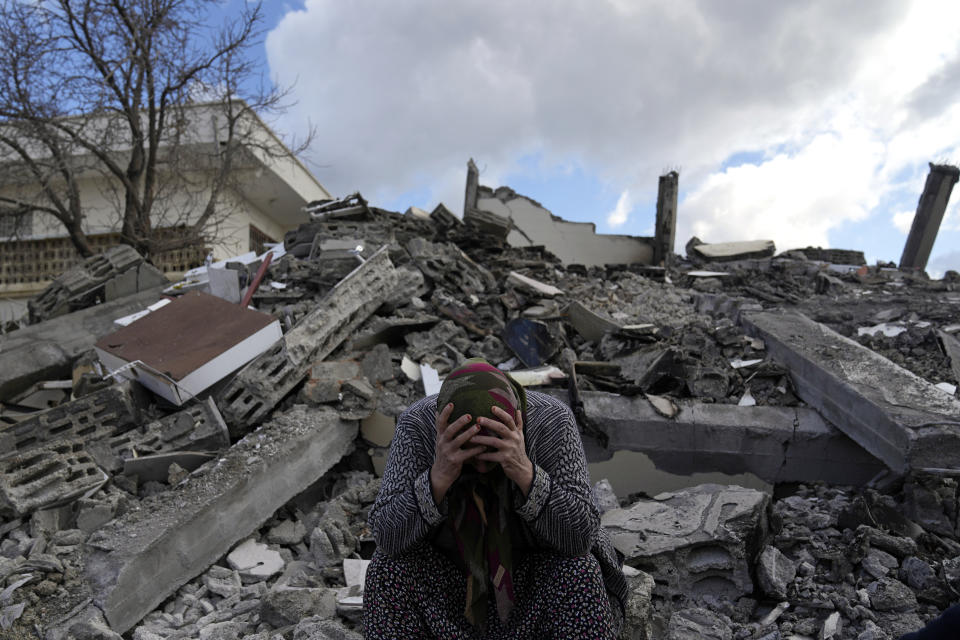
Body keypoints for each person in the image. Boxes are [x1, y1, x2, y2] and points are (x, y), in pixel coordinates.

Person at [363, 358, 627, 639]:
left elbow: (581, 536)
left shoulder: (552, 421)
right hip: (450, 581)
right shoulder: (418, 425)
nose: (480, 469)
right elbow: (386, 537)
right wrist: (437, 478)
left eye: (490, 456)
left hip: (532, 577)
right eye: (470, 455)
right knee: (386, 570)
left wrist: (525, 473)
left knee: (580, 571)